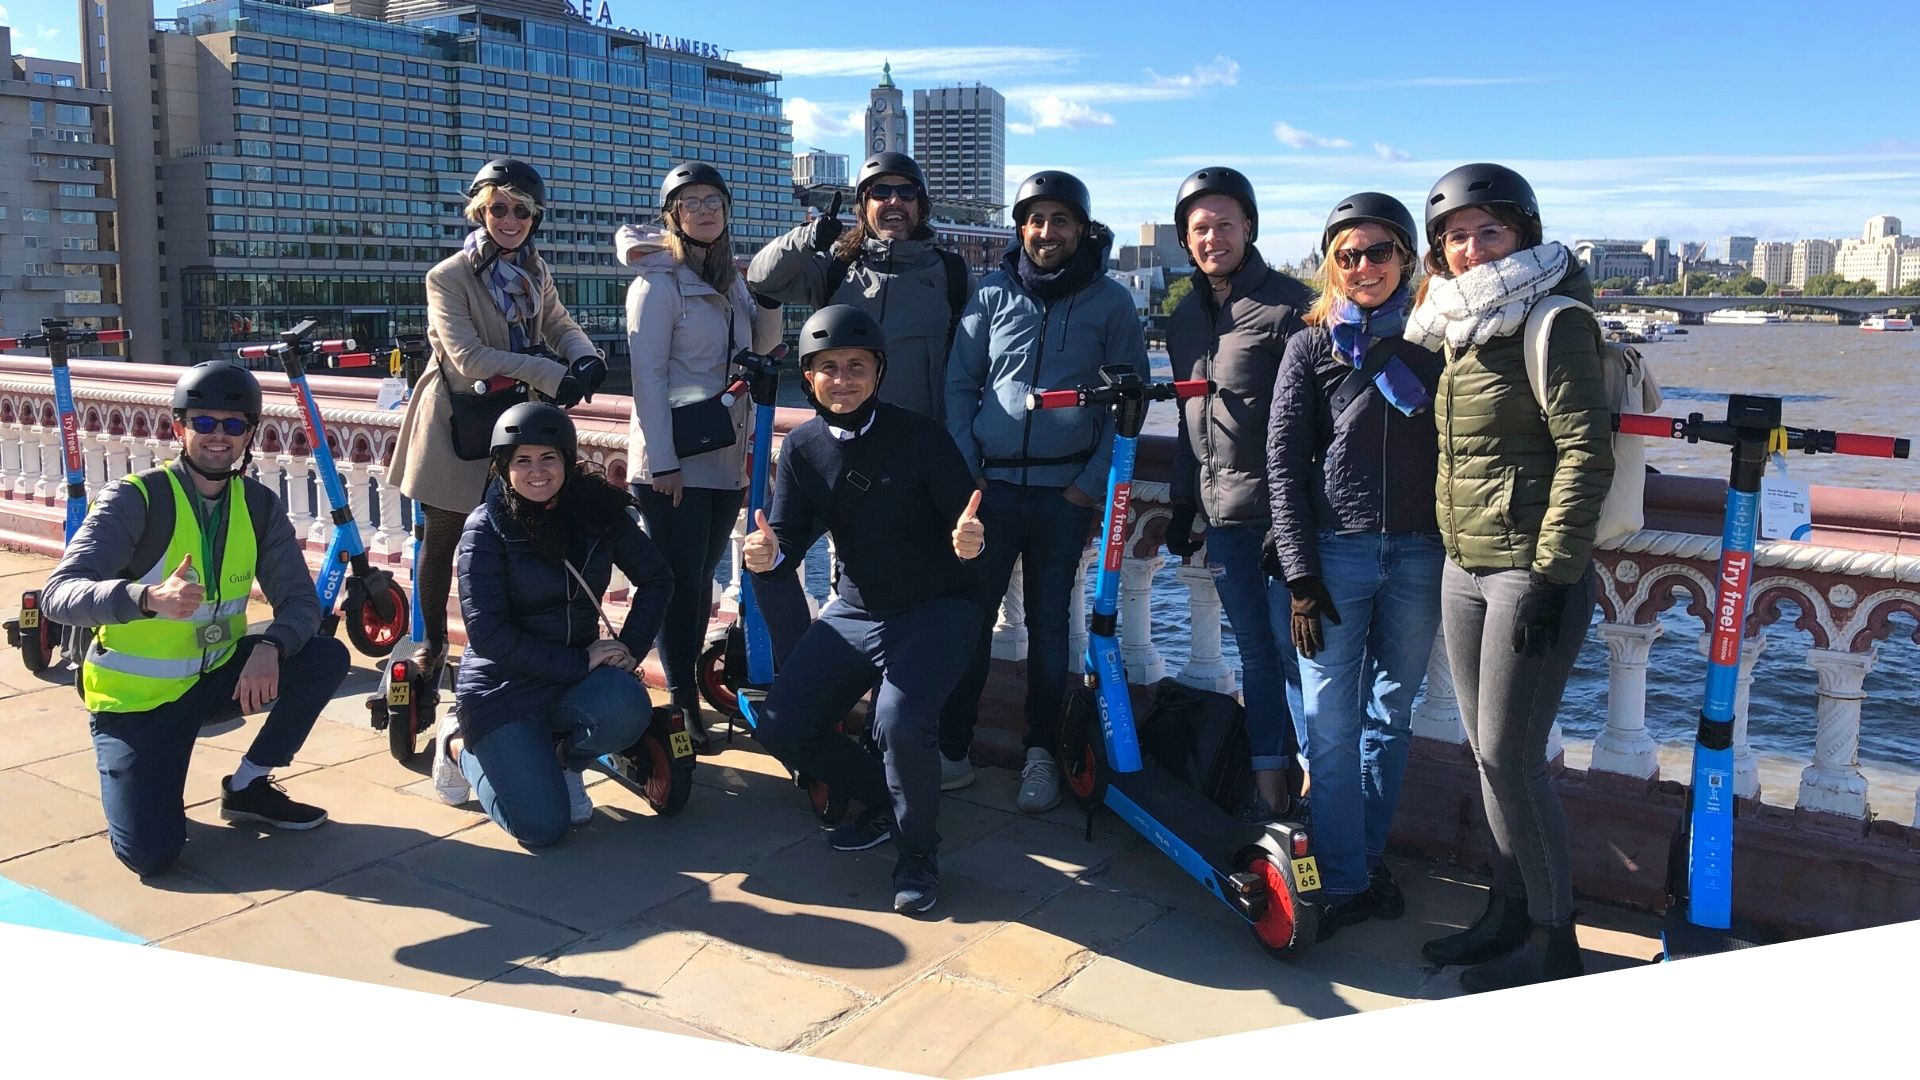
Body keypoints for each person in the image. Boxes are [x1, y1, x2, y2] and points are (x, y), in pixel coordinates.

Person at [1405, 163, 1612, 991]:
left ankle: (1556, 945)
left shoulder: (1554, 319)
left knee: (1512, 757)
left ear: (1524, 233)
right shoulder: (1455, 326)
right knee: (1487, 758)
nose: (1469, 248)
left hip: (1529, 572)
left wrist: (1555, 574)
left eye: (1488, 231)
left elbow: (1583, 452)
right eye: (1454, 236)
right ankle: (1506, 913)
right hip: (1464, 564)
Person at [42, 362, 351, 878]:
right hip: (136, 702)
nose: (218, 436)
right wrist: (144, 597)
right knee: (153, 855)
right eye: (204, 423)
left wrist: (270, 645)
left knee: (323, 655)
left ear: (250, 434)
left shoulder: (257, 505)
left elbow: (300, 601)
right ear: (178, 427)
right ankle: (137, 773)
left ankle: (249, 786)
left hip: (213, 680)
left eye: (234, 425)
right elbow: (59, 594)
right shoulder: (135, 498)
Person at [742, 306, 984, 914]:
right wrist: (771, 552)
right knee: (781, 724)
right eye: (828, 369)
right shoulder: (800, 447)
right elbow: (791, 533)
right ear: (809, 377)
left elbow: (972, 519)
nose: (842, 379)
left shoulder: (922, 437)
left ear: (879, 372)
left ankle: (918, 851)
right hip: (856, 612)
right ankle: (883, 798)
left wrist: (972, 540)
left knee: (899, 721)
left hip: (935, 608)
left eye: (856, 366)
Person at [1266, 192, 1446, 942]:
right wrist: (1302, 576)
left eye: (1378, 252)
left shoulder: (1439, 341)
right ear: (1330, 266)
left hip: (1420, 553)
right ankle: (1342, 879)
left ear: (1406, 258)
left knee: (1390, 717)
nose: (1363, 266)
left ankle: (1362, 861)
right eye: (1348, 255)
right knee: (1330, 725)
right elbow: (1281, 461)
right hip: (1335, 554)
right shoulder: (1311, 344)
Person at [941, 170, 1151, 810]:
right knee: (970, 619)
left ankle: (1040, 753)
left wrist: (1089, 488)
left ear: (1082, 228)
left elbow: (1131, 404)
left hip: (1064, 495)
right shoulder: (992, 293)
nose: (1046, 232)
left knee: (1051, 625)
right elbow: (960, 384)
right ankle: (952, 748)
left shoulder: (1111, 302)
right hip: (992, 488)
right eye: (1035, 219)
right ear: (1020, 227)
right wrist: (968, 468)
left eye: (1060, 220)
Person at [388, 158, 605, 691]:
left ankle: (521, 641)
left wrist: (586, 357)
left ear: (535, 217)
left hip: (517, 423)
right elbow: (468, 357)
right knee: (443, 538)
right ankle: (433, 644)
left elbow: (557, 323)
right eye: (498, 209)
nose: (510, 220)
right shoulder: (448, 276)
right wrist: (553, 374)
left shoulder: (535, 270)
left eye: (521, 211)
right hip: (458, 421)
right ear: (481, 212)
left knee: (521, 533)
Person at [433, 403, 674, 846]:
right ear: (503, 468)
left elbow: (658, 578)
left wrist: (628, 650)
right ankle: (457, 746)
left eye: (548, 458)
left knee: (627, 705)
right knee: (543, 829)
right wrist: (579, 661)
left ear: (567, 459)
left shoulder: (597, 511)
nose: (536, 472)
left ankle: (565, 760)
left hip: (573, 676)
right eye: (522, 460)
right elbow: (488, 634)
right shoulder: (485, 528)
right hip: (503, 687)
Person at [1161, 166, 1313, 818]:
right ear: (1185, 239)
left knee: (1298, 660)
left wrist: (1294, 522)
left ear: (1249, 227)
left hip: (1286, 521)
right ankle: (1269, 782)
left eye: (1225, 223)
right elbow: (1190, 419)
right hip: (1223, 518)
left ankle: (1324, 792)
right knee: (1252, 652)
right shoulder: (1183, 318)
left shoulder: (1292, 308)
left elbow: (1319, 426)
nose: (1213, 236)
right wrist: (1180, 500)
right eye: (1200, 227)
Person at [615, 161, 780, 749]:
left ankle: (685, 690)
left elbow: (764, 345)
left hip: (723, 455)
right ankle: (681, 702)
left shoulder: (729, 279)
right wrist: (663, 464)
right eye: (692, 203)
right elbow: (648, 378)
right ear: (673, 216)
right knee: (681, 586)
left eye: (714, 201)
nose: (705, 210)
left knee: (702, 580)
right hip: (673, 463)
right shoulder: (657, 285)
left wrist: (768, 295)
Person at [747, 151, 973, 419]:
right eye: (881, 192)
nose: (894, 201)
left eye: (906, 193)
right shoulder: (837, 266)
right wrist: (808, 238)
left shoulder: (953, 273)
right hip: (845, 436)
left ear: (921, 206)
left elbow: (975, 365)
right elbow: (761, 278)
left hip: (924, 439)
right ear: (864, 206)